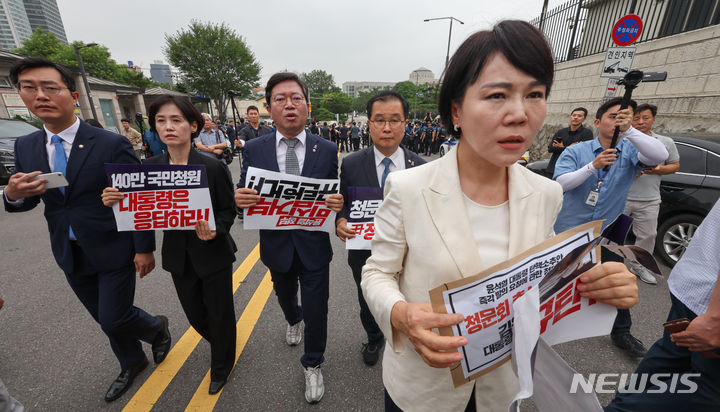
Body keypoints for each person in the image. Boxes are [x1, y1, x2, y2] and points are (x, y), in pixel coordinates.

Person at [360, 21, 639, 412]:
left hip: (504, 387)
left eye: (535, 94)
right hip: (423, 389)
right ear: (456, 110)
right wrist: (401, 314)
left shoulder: (545, 193)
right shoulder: (408, 188)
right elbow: (377, 273)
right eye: (497, 95)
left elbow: (539, 280)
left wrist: (601, 286)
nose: (519, 114)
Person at [3, 57, 170, 402]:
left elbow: (136, 199)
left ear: (73, 96)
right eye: (29, 88)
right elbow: (31, 200)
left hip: (113, 246)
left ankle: (156, 328)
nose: (40, 96)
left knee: (113, 316)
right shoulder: (27, 146)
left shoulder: (109, 143)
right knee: (102, 317)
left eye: (50, 88)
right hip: (69, 249)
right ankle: (132, 361)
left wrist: (144, 248)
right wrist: (11, 194)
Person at [101, 95, 238, 395]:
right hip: (178, 256)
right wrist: (113, 201)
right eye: (161, 121)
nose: (168, 127)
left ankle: (222, 365)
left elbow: (229, 209)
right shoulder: (148, 168)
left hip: (214, 253)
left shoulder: (212, 167)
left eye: (176, 120)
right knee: (195, 315)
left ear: (192, 126)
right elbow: (138, 211)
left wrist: (216, 228)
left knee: (220, 312)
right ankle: (223, 341)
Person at [234, 72, 343, 404]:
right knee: (286, 298)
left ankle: (313, 363)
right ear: (269, 108)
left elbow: (334, 194)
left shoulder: (327, 149)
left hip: (313, 246)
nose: (289, 105)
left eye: (296, 98)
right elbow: (244, 191)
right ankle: (292, 318)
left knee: (317, 308)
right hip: (276, 246)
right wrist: (240, 201)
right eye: (280, 99)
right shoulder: (253, 148)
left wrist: (337, 206)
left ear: (307, 107)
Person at [552, 97, 669, 358]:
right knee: (552, 277)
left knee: (616, 279)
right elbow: (560, 183)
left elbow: (660, 156)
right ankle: (542, 325)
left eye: (624, 116)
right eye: (613, 116)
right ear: (597, 122)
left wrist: (630, 131)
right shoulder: (577, 150)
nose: (619, 120)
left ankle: (621, 332)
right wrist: (592, 166)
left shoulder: (630, 151)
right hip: (568, 230)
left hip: (606, 232)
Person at [335, 91, 425, 366]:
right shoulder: (350, 164)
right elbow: (343, 202)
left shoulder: (419, 167)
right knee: (368, 300)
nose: (387, 127)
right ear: (369, 124)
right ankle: (374, 337)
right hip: (364, 251)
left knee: (405, 295)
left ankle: (406, 338)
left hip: (407, 255)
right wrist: (339, 221)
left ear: (405, 123)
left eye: (395, 120)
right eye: (379, 120)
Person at [605, 200, 720, 412]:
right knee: (709, 390)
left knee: (671, 360)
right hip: (708, 300)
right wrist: (716, 316)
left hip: (696, 286)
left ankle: (619, 406)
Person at [624, 103, 680, 284]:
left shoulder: (665, 142)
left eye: (645, 118)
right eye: (636, 118)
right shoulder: (623, 139)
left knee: (647, 236)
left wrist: (657, 169)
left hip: (649, 198)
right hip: (620, 197)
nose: (640, 122)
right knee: (610, 233)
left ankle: (638, 265)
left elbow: (675, 165)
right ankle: (607, 263)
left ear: (653, 119)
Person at [545, 107, 594, 177]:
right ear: (570, 117)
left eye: (579, 116)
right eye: (574, 115)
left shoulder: (587, 133)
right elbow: (550, 148)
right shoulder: (561, 132)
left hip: (573, 171)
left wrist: (561, 147)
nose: (575, 117)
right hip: (553, 169)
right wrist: (568, 148)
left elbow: (584, 152)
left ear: (584, 119)